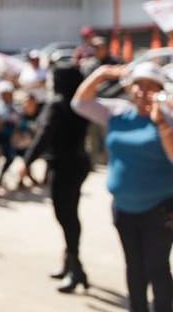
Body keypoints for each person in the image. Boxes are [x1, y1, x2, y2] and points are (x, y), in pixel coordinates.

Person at [72, 62, 173, 311]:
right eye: (139, 84)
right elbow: (80, 104)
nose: (144, 91)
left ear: (160, 89)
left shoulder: (167, 116)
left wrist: (161, 123)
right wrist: (100, 74)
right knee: (134, 265)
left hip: (160, 209)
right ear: (130, 88)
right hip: (124, 208)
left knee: (156, 266)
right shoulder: (117, 112)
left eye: (151, 86)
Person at [22, 65, 90, 293]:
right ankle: (70, 263)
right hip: (78, 164)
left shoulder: (57, 103)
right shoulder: (79, 102)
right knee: (71, 215)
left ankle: (75, 269)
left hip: (64, 166)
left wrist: (27, 160)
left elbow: (44, 134)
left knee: (66, 216)